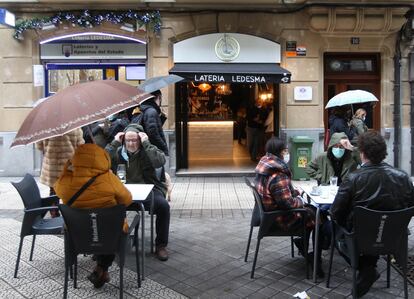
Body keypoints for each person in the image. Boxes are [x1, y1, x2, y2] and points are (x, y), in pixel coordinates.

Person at [330, 131, 414, 297]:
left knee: (336, 234)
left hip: (360, 239)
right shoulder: (403, 177)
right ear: (383, 152)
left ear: (362, 153)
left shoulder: (354, 179)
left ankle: (367, 269)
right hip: (393, 238)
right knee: (372, 230)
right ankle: (369, 267)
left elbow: (335, 213)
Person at [54, 143, 132, 288]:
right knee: (111, 224)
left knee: (99, 225)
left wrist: (66, 167)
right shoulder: (109, 178)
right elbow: (127, 201)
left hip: (79, 236)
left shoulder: (66, 182)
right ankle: (102, 268)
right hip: (109, 236)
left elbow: (56, 188)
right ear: (101, 158)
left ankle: (101, 269)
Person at [254, 137, 326, 277]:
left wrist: (295, 192)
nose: (288, 154)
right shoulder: (277, 175)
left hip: (270, 215)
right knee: (318, 216)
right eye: (286, 151)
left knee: (313, 212)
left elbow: (280, 194)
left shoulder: (265, 168)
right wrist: (299, 200)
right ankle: (316, 259)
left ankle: (303, 244)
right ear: (279, 153)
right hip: (280, 219)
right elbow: (288, 204)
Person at [105, 123, 171, 261]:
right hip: (124, 192)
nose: (131, 143)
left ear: (140, 140)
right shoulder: (118, 152)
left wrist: (146, 143)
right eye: (128, 140)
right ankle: (109, 245)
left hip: (148, 190)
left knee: (163, 206)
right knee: (105, 206)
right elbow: (102, 159)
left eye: (134, 140)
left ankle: (161, 245)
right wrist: (115, 143)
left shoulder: (147, 150)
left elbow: (160, 161)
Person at [36, 128, 85, 216]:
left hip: (52, 167)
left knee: (53, 192)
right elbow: (80, 146)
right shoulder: (74, 127)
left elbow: (39, 147)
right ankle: (70, 216)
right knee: (70, 192)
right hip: (69, 166)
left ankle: (54, 214)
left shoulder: (44, 128)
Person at [132, 90, 169, 156]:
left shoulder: (143, 108)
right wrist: (163, 147)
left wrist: (162, 118)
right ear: (158, 97)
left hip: (144, 149)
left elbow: (150, 127)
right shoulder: (151, 111)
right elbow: (153, 134)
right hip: (151, 151)